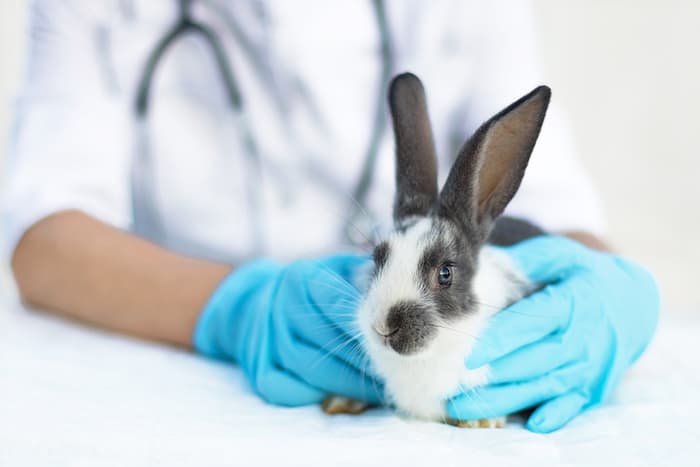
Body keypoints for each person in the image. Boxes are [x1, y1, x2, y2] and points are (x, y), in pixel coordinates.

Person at [1, 0, 658, 433]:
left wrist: (601, 291)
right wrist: (242, 309)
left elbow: (552, 204)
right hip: (181, 362)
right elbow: (43, 234)